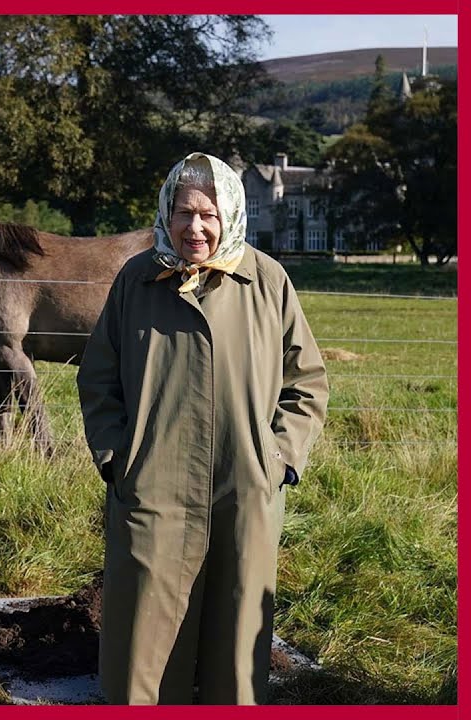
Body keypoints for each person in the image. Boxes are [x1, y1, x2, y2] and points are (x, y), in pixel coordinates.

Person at [76, 152, 329, 704]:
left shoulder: (266, 280)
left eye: (209, 214)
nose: (196, 227)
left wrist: (279, 459)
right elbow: (98, 382)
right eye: (185, 212)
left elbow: (306, 381)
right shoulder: (137, 280)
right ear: (167, 212)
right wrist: (118, 459)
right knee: (143, 647)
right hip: (152, 489)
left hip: (245, 487)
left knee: (236, 648)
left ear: (230, 215)